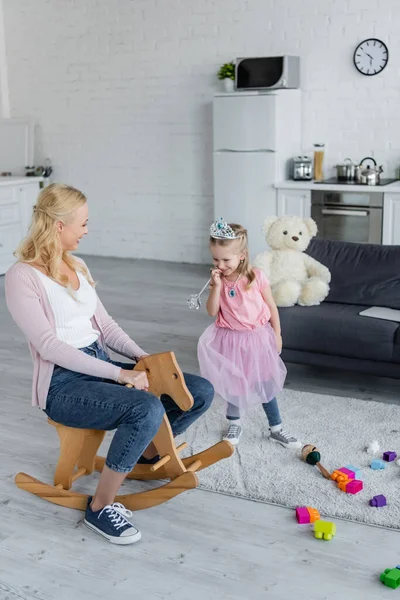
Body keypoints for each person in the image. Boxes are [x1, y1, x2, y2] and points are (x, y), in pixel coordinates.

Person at [5, 183, 214, 545]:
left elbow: (106, 326)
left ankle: (143, 455)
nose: (87, 230)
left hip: (99, 363)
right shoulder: (22, 277)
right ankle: (100, 507)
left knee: (199, 391)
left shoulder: (78, 265)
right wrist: (121, 374)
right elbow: (50, 346)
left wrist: (143, 360)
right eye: (83, 223)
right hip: (64, 384)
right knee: (146, 407)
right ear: (58, 226)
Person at [197, 218, 300, 449]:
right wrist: (216, 287)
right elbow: (212, 311)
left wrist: (277, 333)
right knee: (234, 382)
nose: (221, 264)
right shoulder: (218, 280)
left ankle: (276, 428)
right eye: (215, 259)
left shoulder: (256, 276)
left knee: (263, 381)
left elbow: (272, 307)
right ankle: (234, 422)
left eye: (226, 259)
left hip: (256, 338)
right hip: (229, 339)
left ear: (242, 255)